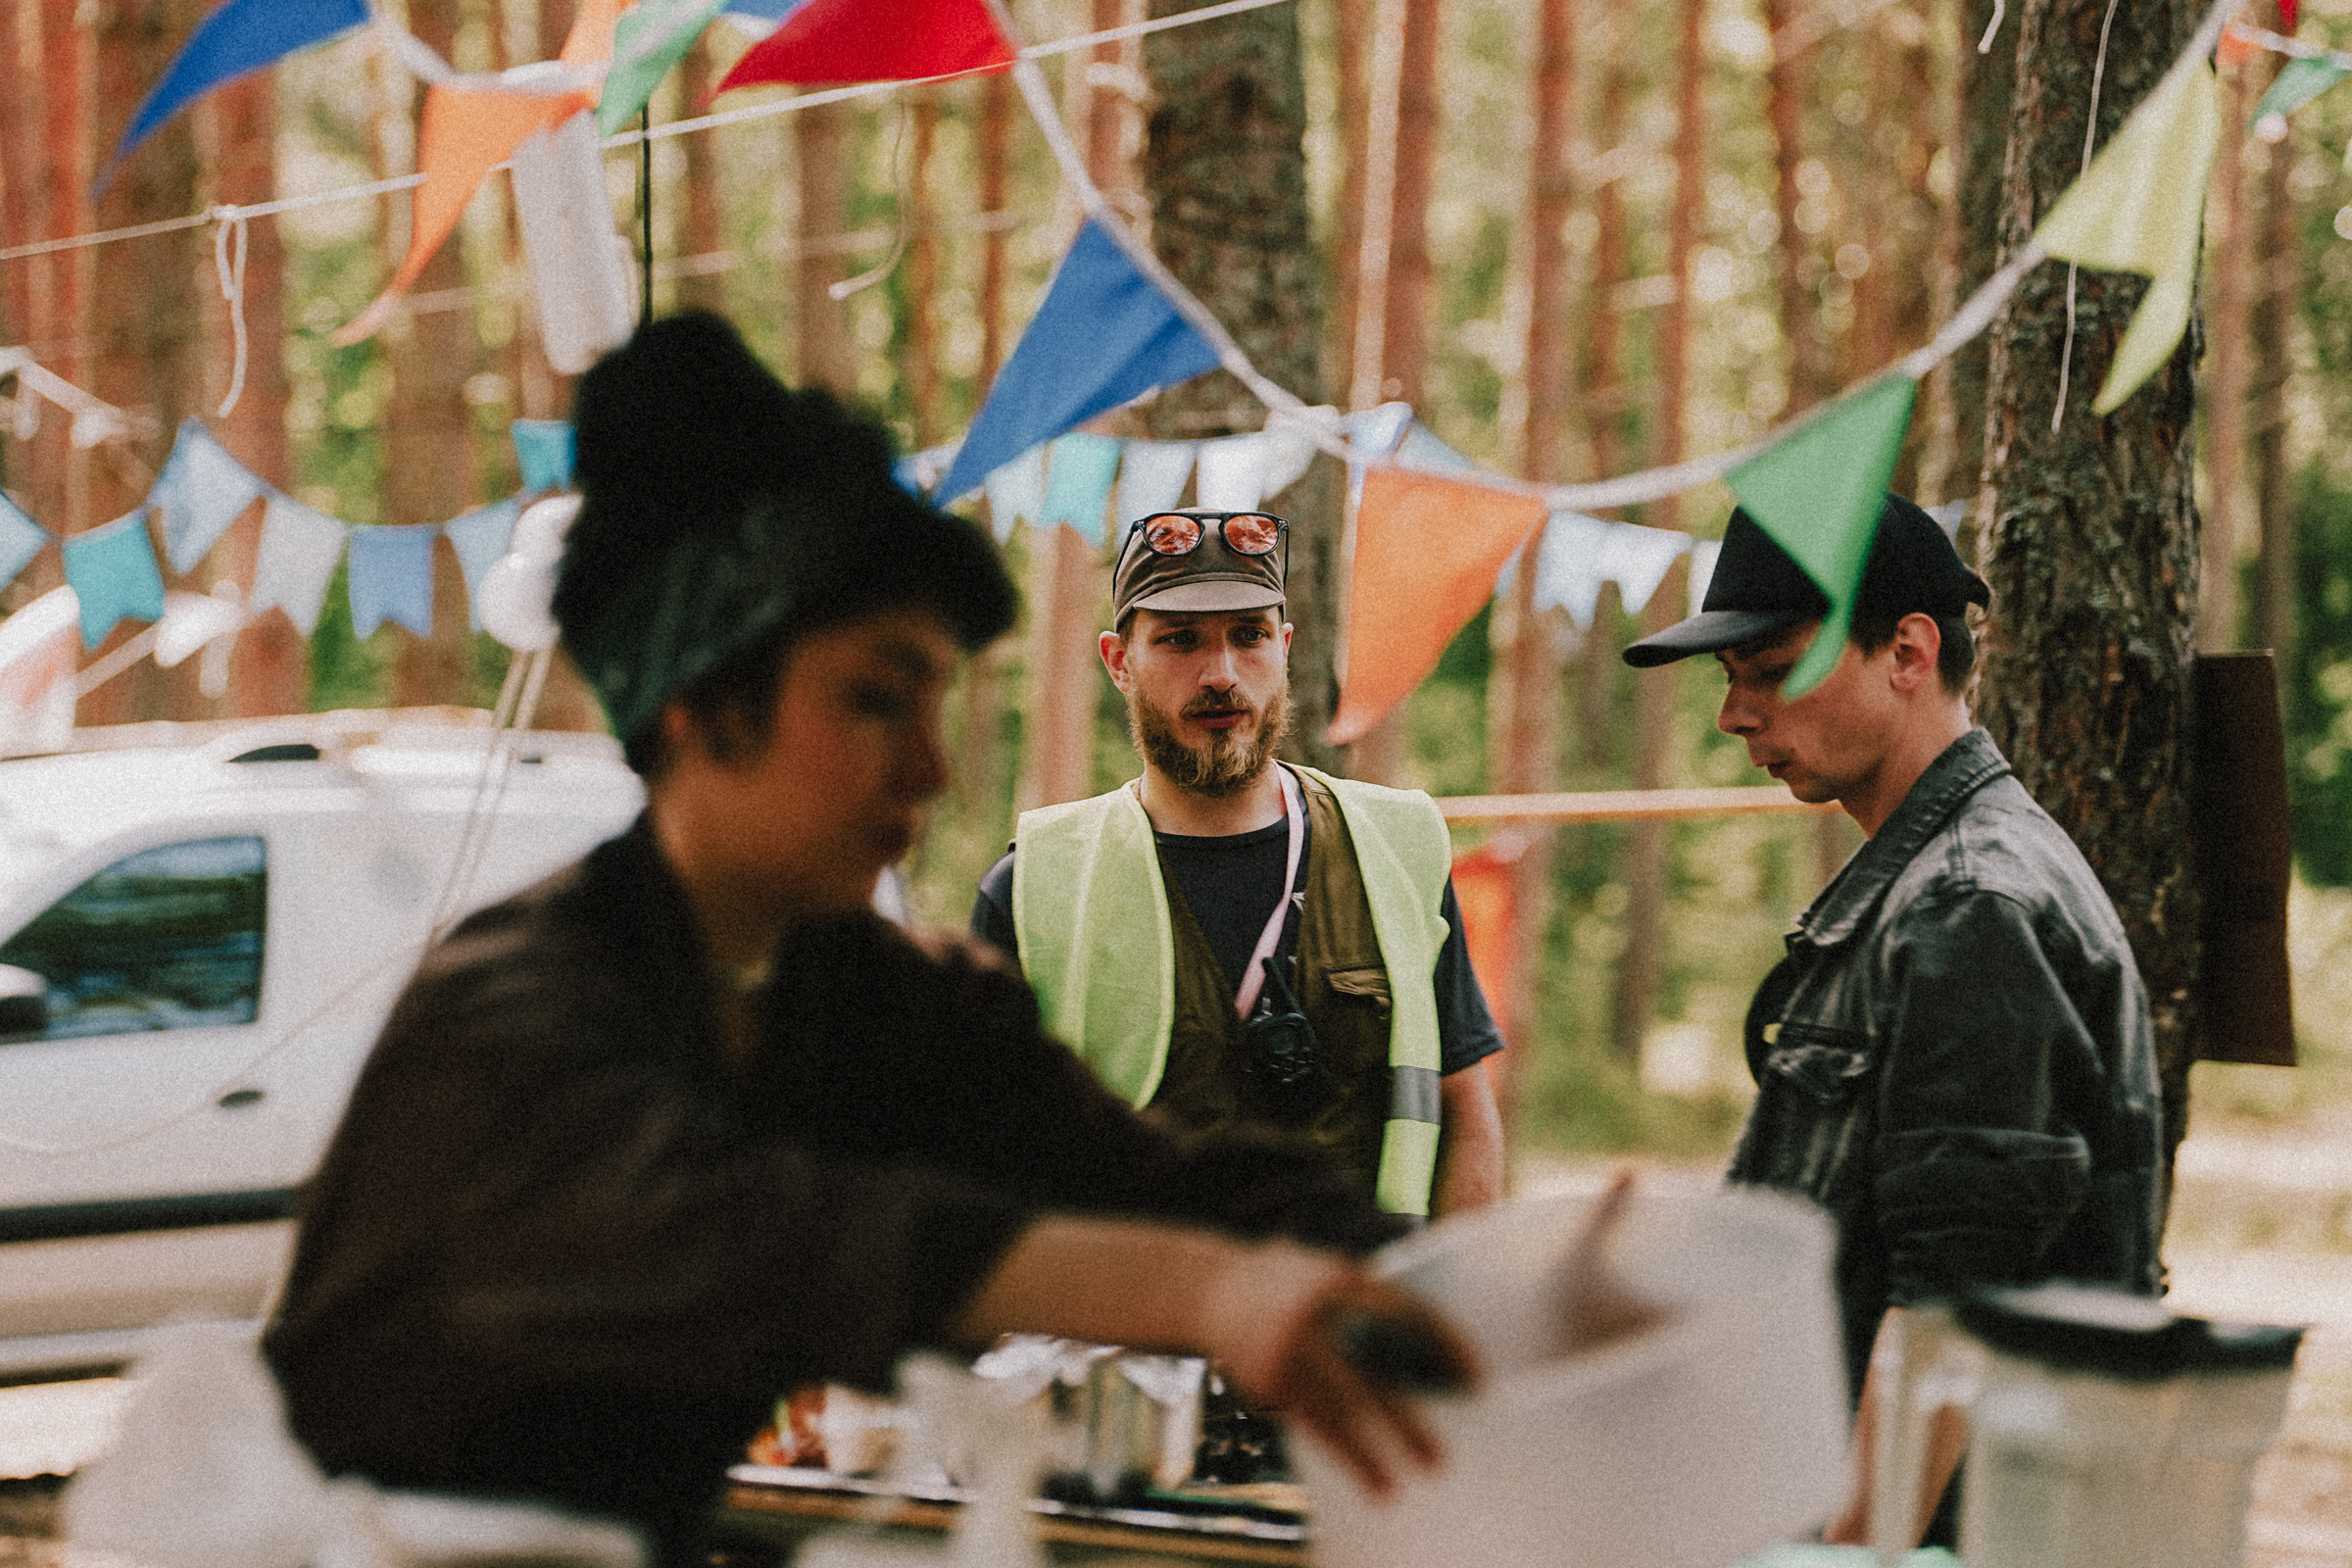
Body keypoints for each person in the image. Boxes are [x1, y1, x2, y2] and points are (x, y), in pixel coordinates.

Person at [263, 315, 1474, 1568]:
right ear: (705, 705)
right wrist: (1210, 1294)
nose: (933, 766)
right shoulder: (508, 1022)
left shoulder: (857, 994)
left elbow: (1144, 1174)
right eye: (874, 698)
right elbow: (780, 1236)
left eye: (936, 703)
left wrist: (1476, 1287)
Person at [1622, 494, 2165, 1544]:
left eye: (1769, 669)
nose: (1735, 716)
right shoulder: (1925, 885)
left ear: (1908, 652)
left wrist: (1847, 1563)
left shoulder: (1971, 904)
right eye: (1729, 681)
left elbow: (1948, 1327)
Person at [971, 509, 1507, 1221]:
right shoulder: (1034, 888)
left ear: (1285, 648)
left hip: (1357, 1317)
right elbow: (979, 1165)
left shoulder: (1400, 846)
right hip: (1128, 1326)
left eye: (1249, 636)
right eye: (1180, 641)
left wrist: (1442, 1306)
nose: (1221, 675)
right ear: (1119, 660)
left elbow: (1464, 1108)